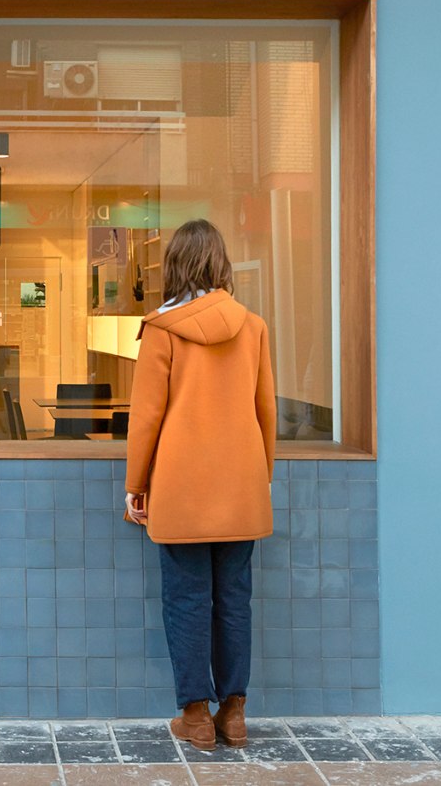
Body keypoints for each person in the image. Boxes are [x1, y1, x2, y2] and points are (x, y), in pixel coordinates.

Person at [123, 219, 276, 752]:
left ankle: (195, 717)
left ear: (175, 267)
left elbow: (146, 418)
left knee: (187, 600)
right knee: (234, 599)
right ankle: (234, 714)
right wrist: (261, 478)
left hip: (181, 488)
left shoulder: (162, 331)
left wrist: (135, 485)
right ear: (221, 264)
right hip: (242, 486)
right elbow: (266, 413)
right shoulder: (253, 327)